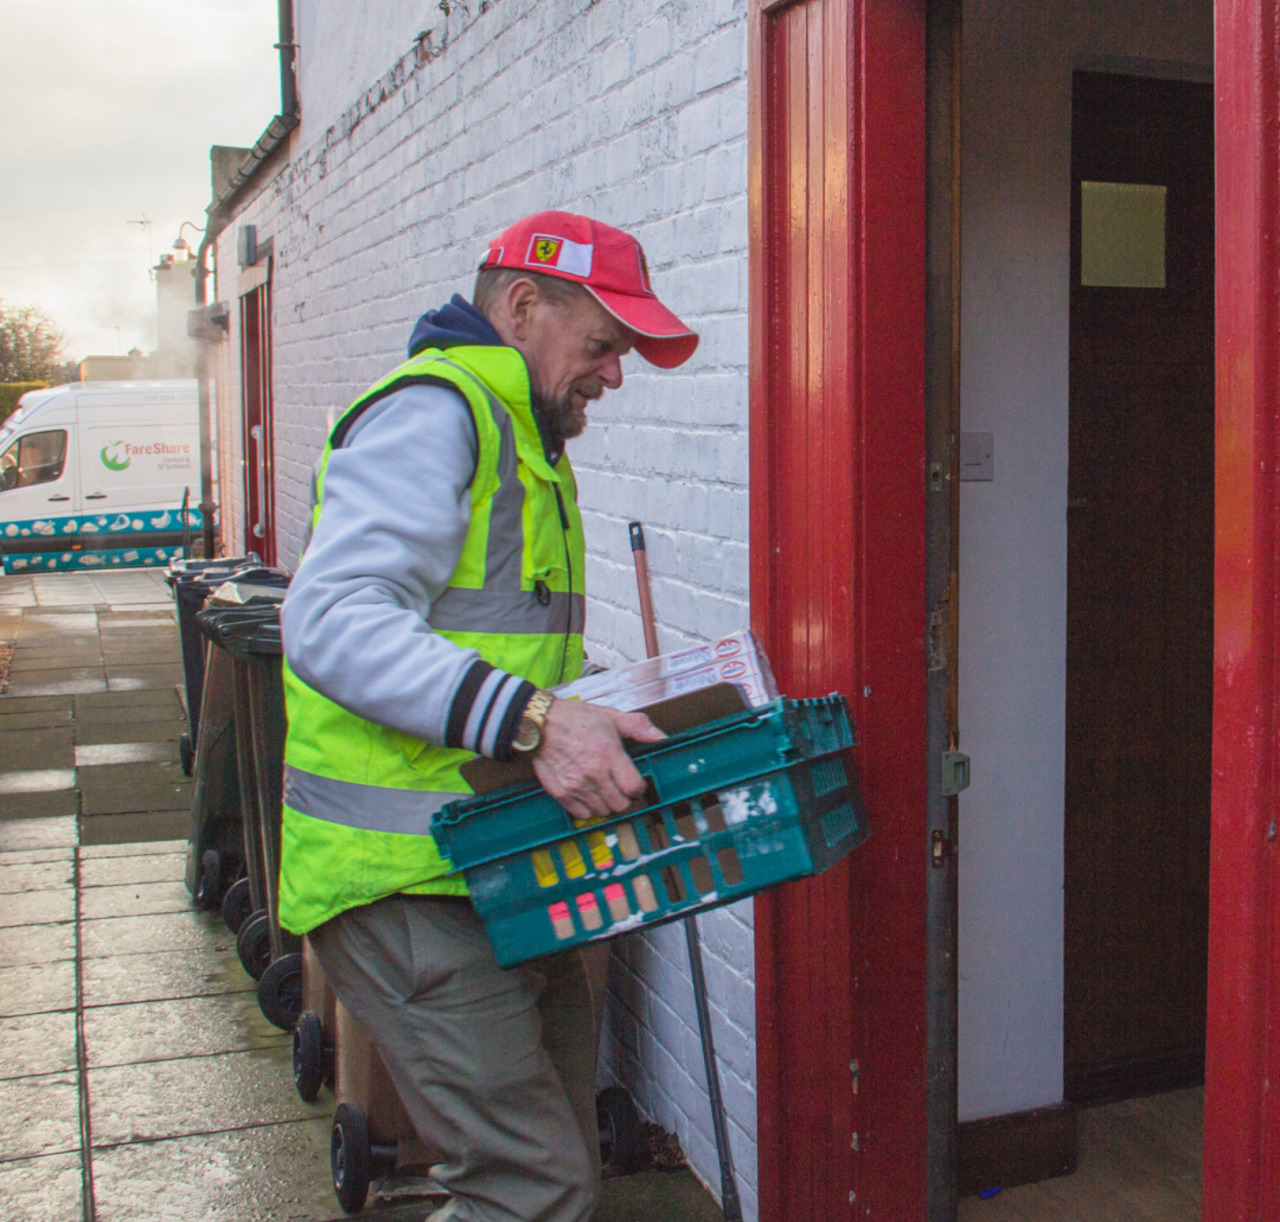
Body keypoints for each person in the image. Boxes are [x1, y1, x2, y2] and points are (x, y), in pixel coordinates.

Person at [278, 211, 699, 1221]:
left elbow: (491, 646)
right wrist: (540, 724)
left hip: (489, 871)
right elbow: (330, 618)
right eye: (602, 344)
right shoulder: (440, 413)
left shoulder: (524, 438)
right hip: (403, 883)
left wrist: (594, 706)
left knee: (551, 1167)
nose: (613, 373)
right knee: (531, 1188)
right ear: (520, 305)